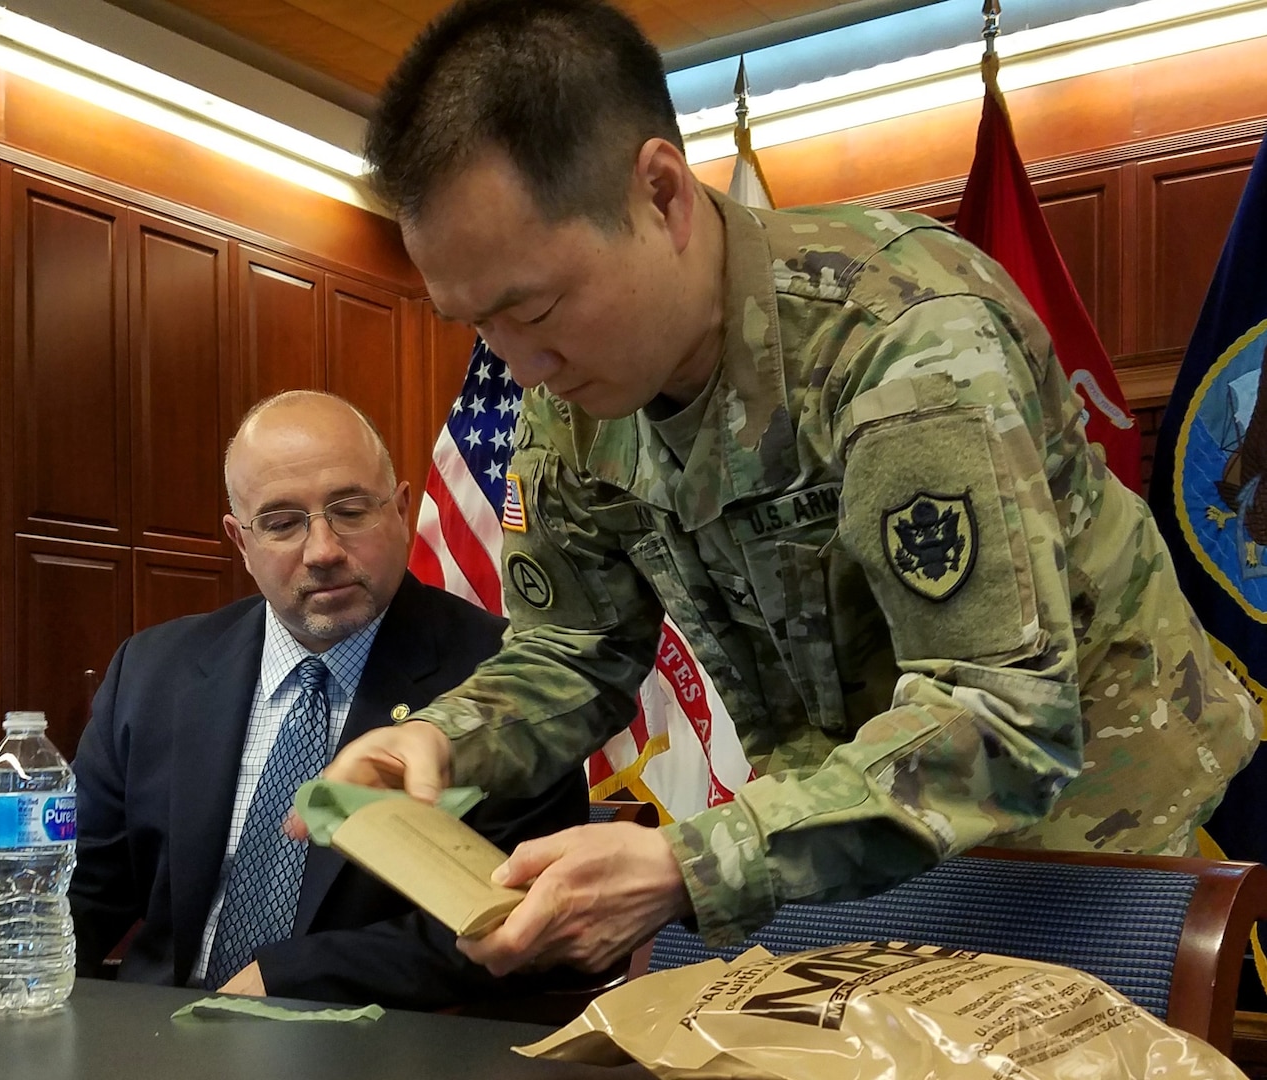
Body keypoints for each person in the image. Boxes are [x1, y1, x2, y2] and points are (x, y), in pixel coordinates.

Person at [304, 0, 1262, 980]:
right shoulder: (574, 399)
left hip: (1088, 830)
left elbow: (999, 718)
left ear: (663, 196)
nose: (522, 364)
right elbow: (579, 647)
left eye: (535, 307)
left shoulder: (908, 343)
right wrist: (441, 742)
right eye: (479, 327)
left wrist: (692, 862)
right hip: (841, 820)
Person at [69, 390, 589, 1007]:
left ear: (400, 510)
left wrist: (292, 980)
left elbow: (516, 912)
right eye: (283, 523)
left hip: (382, 1042)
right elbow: (81, 890)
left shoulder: (507, 677)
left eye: (348, 510)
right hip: (157, 1035)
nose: (322, 551)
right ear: (241, 541)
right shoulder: (153, 671)